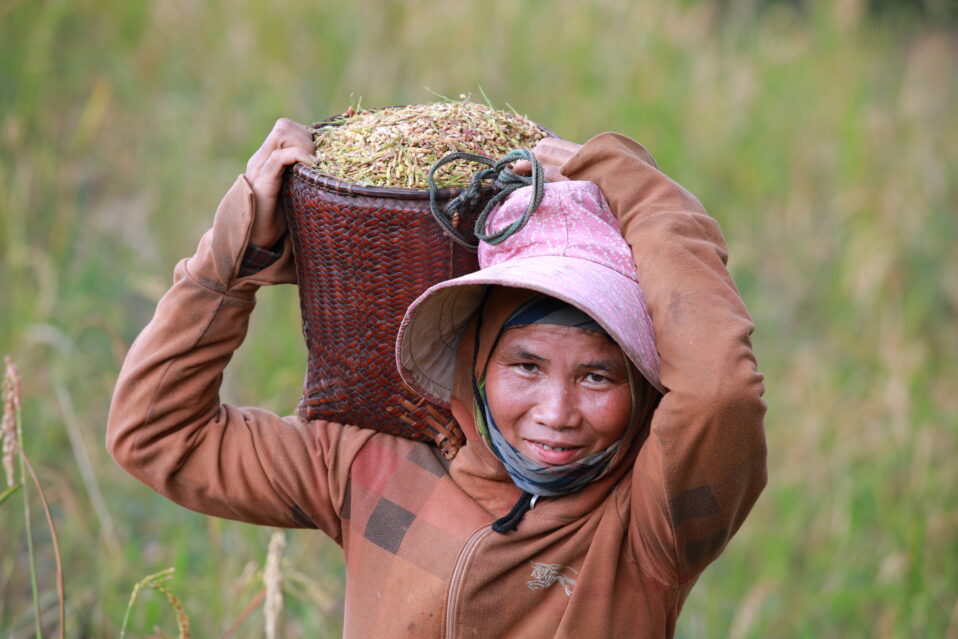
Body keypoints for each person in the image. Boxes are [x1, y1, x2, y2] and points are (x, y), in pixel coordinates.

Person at [107, 117, 767, 637]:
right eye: (526, 365)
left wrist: (628, 181)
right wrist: (231, 259)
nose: (558, 410)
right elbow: (158, 433)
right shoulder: (372, 466)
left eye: (598, 376)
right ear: (475, 362)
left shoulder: (650, 525)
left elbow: (720, 391)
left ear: (641, 388)